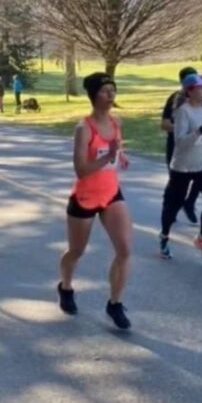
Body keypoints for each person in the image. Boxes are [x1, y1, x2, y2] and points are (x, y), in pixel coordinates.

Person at [58, 72, 133, 330]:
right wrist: (108, 156)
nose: (111, 95)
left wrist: (120, 156)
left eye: (113, 89)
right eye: (105, 91)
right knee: (76, 251)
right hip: (85, 196)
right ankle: (65, 287)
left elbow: (115, 149)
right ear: (93, 96)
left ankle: (115, 304)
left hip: (111, 193)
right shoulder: (84, 128)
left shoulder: (116, 122)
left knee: (124, 250)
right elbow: (81, 169)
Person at [159, 73, 202, 261]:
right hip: (183, 166)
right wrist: (200, 131)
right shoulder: (182, 112)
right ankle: (164, 236)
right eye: (201, 88)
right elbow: (180, 142)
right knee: (174, 204)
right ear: (190, 92)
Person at [160, 66, 201, 223]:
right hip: (177, 146)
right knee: (176, 181)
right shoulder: (175, 98)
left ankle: (189, 203)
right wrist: (182, 128)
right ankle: (170, 208)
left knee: (201, 177)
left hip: (197, 147)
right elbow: (164, 124)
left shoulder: (201, 98)